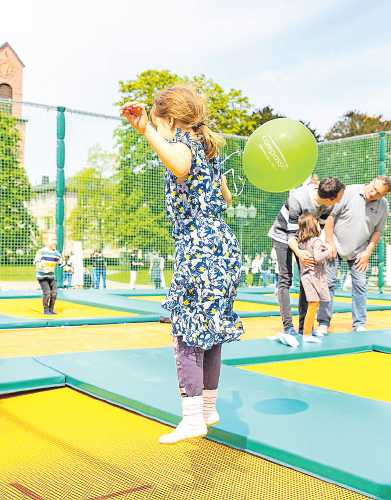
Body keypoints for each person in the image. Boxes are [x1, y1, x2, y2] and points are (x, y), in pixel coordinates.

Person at [121, 85, 243, 444]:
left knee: (187, 333)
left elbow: (178, 162)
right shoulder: (209, 150)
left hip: (200, 250)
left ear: (170, 119)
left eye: (160, 123)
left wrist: (145, 130)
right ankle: (208, 407)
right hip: (223, 247)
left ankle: (192, 418)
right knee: (212, 330)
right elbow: (226, 195)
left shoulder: (184, 148)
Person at [268, 177, 345, 341]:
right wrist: (300, 254)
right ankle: (288, 327)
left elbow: (320, 229)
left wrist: (323, 247)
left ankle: (305, 328)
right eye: (340, 195)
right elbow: (291, 235)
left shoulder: (329, 205)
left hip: (305, 239)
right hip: (283, 236)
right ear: (330, 197)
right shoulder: (297, 198)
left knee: (307, 278)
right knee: (285, 279)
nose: (342, 198)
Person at [317, 175, 391, 334]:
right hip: (334, 244)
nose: (372, 193)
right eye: (373, 187)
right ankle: (323, 322)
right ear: (371, 181)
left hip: (359, 250)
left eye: (378, 193)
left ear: (384, 195)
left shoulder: (384, 206)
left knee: (360, 285)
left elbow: (377, 232)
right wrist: (330, 243)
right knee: (328, 282)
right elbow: (330, 218)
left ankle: (359, 324)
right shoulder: (349, 192)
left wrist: (367, 253)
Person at [297, 213, 333, 343]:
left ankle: (307, 333)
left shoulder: (302, 242)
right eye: (317, 223)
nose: (319, 225)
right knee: (314, 304)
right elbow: (318, 258)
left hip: (306, 277)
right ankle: (307, 334)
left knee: (313, 304)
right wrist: (329, 250)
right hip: (314, 277)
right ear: (313, 226)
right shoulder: (316, 241)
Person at [34, 233, 64, 314]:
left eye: (56, 240)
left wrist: (68, 268)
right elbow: (37, 263)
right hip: (42, 277)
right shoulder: (41, 252)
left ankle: (51, 309)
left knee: (54, 294)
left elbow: (61, 263)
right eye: (53, 240)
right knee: (47, 293)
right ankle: (46, 309)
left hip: (51, 277)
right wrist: (41, 266)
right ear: (46, 242)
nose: (55, 242)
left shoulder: (57, 254)